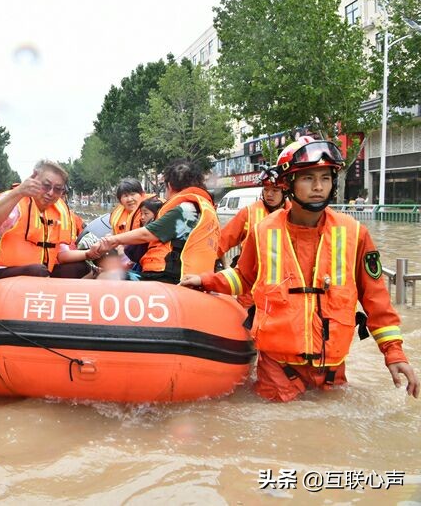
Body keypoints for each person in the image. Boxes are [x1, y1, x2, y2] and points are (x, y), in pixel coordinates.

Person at [180, 137, 418, 402]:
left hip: (332, 370)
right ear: (289, 183)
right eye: (307, 178)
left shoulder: (355, 234)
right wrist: (204, 280)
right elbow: (243, 277)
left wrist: (394, 353)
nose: (318, 187)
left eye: (325, 178)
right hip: (277, 370)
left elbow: (376, 300)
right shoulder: (263, 231)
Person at [91, 159, 219, 284]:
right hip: (187, 274)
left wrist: (111, 241)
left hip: (170, 277)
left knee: (106, 276)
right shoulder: (204, 208)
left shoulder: (186, 210)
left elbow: (147, 234)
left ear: (169, 186)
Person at [0, 160, 75, 279]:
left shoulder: (59, 211)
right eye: (46, 186)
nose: (51, 193)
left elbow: (61, 253)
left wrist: (91, 253)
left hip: (40, 273)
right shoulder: (15, 201)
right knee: (38, 271)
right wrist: (19, 191)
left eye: (57, 189)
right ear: (34, 181)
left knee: (79, 268)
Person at [215, 166, 289, 307]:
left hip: (283, 293)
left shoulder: (294, 214)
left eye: (275, 190)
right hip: (250, 292)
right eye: (266, 190)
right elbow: (222, 241)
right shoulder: (249, 213)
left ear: (285, 191)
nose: (269, 194)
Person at [124, 196, 164, 271]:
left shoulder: (157, 233)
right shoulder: (142, 230)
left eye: (146, 213)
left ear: (157, 214)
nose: (142, 217)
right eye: (141, 213)